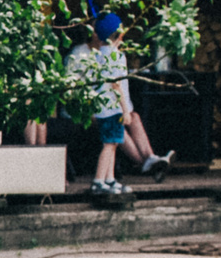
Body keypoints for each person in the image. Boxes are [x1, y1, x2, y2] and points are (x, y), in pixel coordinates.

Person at [69, 11, 171, 199]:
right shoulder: (115, 57)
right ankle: (99, 181)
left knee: (114, 144)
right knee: (109, 145)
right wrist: (125, 109)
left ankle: (110, 179)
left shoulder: (99, 55)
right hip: (112, 109)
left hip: (104, 109)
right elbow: (116, 84)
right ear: (121, 35)